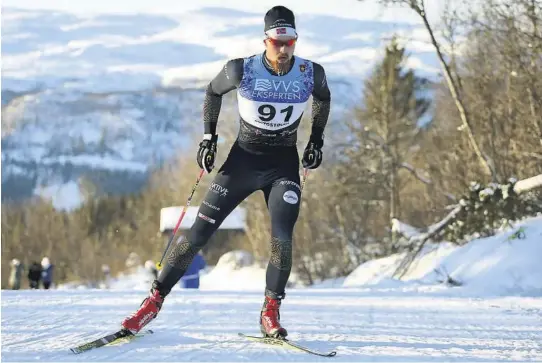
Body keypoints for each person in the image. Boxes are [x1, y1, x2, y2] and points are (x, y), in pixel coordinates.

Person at [121, 5, 331, 339]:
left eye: (289, 41)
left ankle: (270, 312)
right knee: (198, 234)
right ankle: (152, 303)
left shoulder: (310, 72)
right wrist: (209, 138)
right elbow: (212, 92)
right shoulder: (241, 70)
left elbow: (322, 98)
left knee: (282, 238)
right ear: (265, 41)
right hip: (242, 161)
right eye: (277, 42)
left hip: (283, 165)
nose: (284, 48)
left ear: (295, 40)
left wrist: (316, 140)